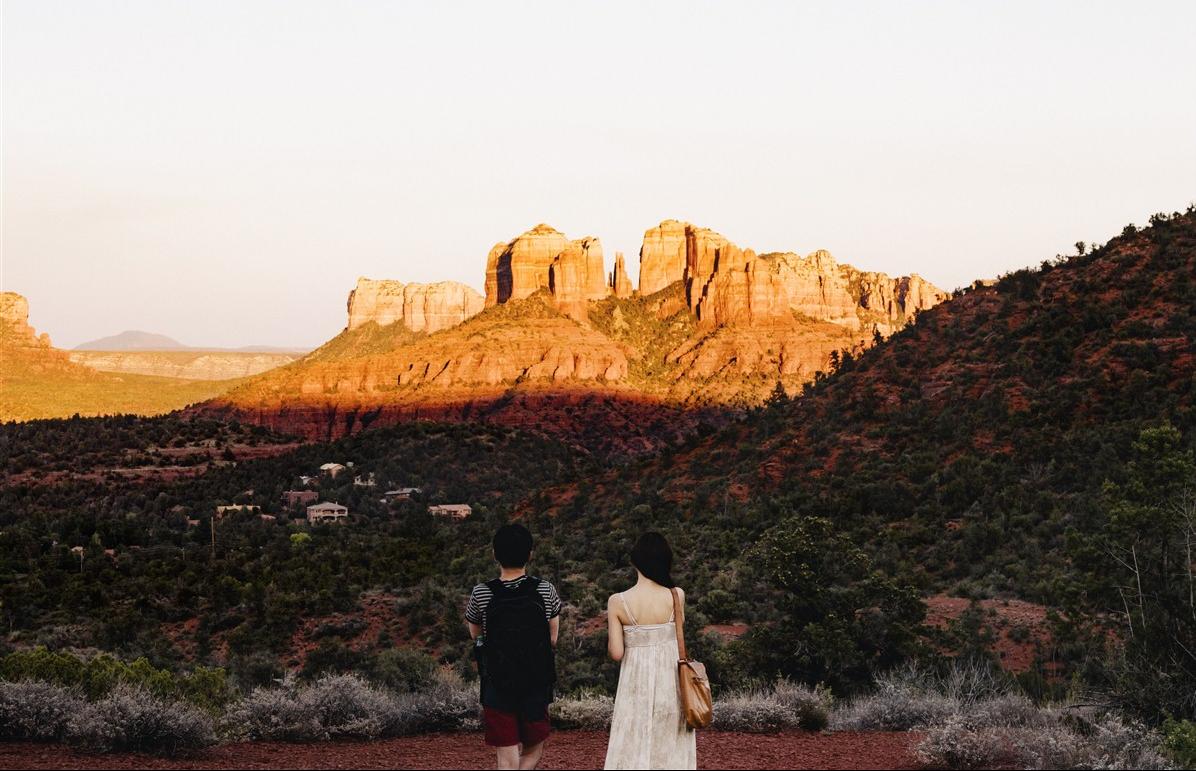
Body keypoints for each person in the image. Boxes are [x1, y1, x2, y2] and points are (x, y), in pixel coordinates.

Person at [466, 523, 561, 770]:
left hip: (497, 684)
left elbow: (476, 636)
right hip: (536, 681)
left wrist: (484, 649)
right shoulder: (545, 590)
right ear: (530, 554)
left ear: (494, 554)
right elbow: (553, 639)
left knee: (505, 756)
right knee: (534, 747)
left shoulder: (481, 593)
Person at [604, 532, 696, 770]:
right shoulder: (677, 595)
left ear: (635, 561)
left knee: (634, 739)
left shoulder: (618, 601)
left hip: (635, 684)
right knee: (669, 742)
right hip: (671, 682)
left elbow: (616, 653)